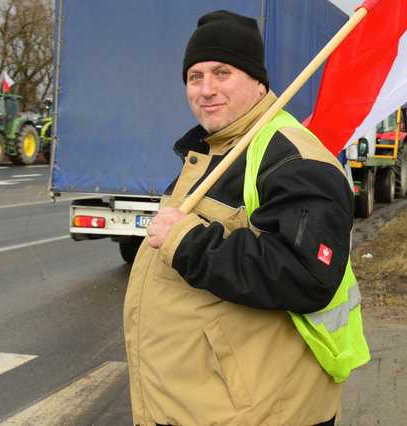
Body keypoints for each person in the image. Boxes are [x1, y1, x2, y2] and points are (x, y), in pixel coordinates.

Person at [123, 10, 368, 426]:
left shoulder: (291, 156)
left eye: (222, 73)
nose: (206, 89)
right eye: (195, 76)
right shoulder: (211, 152)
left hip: (260, 412)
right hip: (202, 408)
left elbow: (309, 274)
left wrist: (188, 242)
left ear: (257, 82)